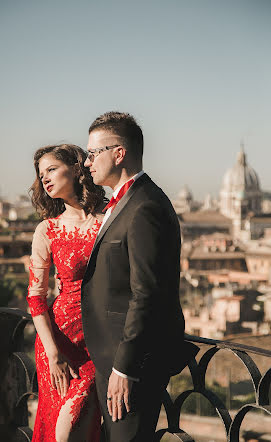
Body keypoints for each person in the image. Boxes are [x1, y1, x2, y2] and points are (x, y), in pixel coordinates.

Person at [81, 112, 199, 441]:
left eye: (93, 153)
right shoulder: (125, 203)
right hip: (111, 359)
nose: (88, 163)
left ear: (119, 153)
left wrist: (124, 367)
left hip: (130, 366)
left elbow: (146, 294)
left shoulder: (145, 206)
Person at [27, 144, 105, 442]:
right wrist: (54, 352)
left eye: (51, 169)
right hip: (58, 342)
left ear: (75, 168)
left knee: (77, 429)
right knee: (64, 431)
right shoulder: (47, 230)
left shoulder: (107, 222)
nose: (44, 178)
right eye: (40, 173)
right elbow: (36, 298)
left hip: (98, 339)